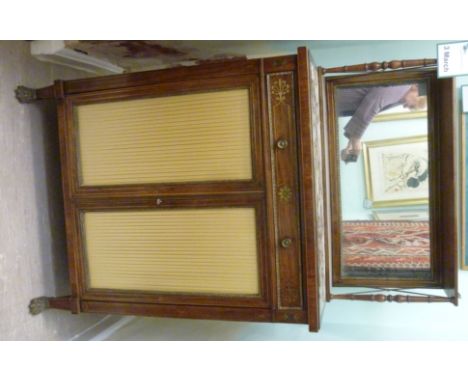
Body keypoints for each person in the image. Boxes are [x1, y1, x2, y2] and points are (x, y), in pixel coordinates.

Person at [337, 84, 427, 163]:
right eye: (411, 106)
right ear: (416, 89)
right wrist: (356, 139)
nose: (405, 106)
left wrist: (352, 140)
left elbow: (369, 106)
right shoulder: (402, 86)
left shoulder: (401, 94)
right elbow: (374, 102)